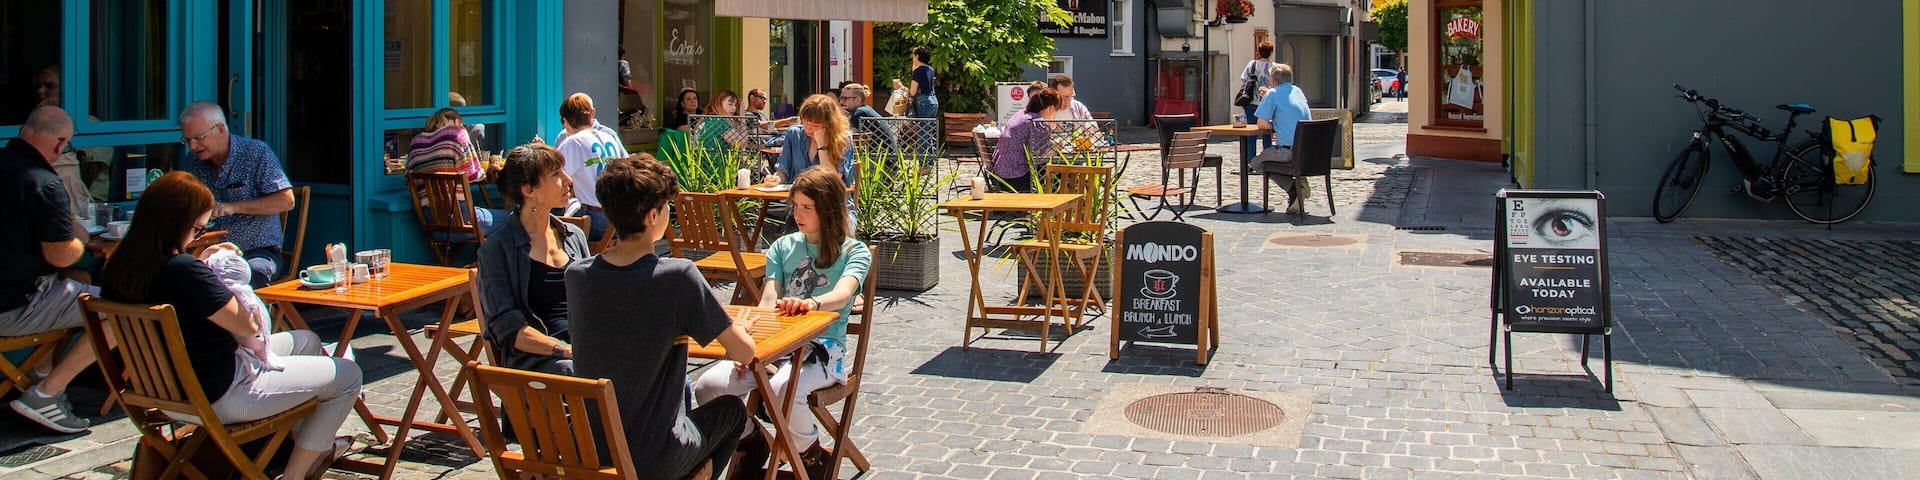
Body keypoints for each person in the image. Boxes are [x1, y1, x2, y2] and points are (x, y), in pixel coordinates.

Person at [100, 171, 360, 480]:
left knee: (306, 340)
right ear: (177, 223)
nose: (196, 237)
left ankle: (297, 446)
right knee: (346, 376)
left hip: (164, 394)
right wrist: (222, 274)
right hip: (218, 394)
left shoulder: (118, 267)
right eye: (197, 229)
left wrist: (201, 260)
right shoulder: (184, 271)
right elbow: (247, 326)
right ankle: (298, 471)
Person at [567, 155, 756, 480]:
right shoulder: (678, 277)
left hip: (590, 447)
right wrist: (738, 326)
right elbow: (744, 352)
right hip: (654, 456)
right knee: (732, 413)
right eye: (668, 206)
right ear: (653, 215)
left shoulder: (577, 276)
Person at [693, 165, 869, 478]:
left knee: (780, 388)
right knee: (708, 386)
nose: (798, 214)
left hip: (825, 349)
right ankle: (753, 440)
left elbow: (843, 294)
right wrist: (753, 346)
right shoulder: (782, 247)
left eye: (807, 207)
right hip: (775, 345)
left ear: (828, 210)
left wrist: (811, 302)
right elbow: (767, 300)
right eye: (795, 206)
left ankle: (812, 457)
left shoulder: (853, 251)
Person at [1, 106, 103, 434]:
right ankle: (46, 394)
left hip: (12, 293)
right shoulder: (43, 182)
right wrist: (78, 238)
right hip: (10, 307)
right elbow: (62, 256)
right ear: (60, 144)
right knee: (120, 309)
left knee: (75, 283)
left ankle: (38, 374)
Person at [477, 143, 588, 376]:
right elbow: (506, 327)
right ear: (529, 190)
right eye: (556, 174)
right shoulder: (497, 249)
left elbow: (595, 301)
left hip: (582, 350)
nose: (568, 180)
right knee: (574, 371)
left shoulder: (572, 236)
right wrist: (565, 351)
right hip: (537, 362)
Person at [175, 101, 295, 288]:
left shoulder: (256, 153)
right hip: (208, 250)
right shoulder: (193, 161)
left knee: (252, 272)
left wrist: (233, 207)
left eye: (199, 138)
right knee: (179, 275)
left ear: (221, 130)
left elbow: (286, 201)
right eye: (187, 140)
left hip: (257, 250)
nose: (192, 146)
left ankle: (252, 318)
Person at [405, 108, 504, 234]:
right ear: (457, 121)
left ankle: (485, 252)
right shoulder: (456, 134)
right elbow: (475, 174)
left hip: (433, 224)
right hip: (462, 221)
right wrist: (490, 169)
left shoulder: (416, 143)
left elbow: (407, 178)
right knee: (516, 219)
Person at [555, 93, 630, 241]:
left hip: (595, 220)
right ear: (591, 115)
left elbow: (553, 177)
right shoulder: (608, 137)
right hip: (619, 217)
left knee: (544, 218)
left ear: (565, 121)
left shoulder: (572, 142)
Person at [1253, 63, 1314, 214]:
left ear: (1273, 80)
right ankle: (1297, 185)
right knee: (1267, 161)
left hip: (1288, 152)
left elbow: (1261, 123)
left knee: (1256, 163)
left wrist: (1274, 122)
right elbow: (1288, 109)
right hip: (1307, 152)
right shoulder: (1297, 91)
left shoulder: (1272, 94)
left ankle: (1294, 189)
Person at [770, 95, 856, 188]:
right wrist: (776, 179)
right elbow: (783, 171)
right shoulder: (794, 134)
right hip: (798, 198)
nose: (808, 128)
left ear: (829, 123)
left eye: (815, 125)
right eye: (805, 122)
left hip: (830, 199)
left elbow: (833, 180)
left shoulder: (843, 138)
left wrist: (822, 145)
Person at [989, 88, 1062, 193]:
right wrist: (1057, 146)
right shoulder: (1037, 123)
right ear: (1051, 108)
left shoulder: (1021, 114)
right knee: (1059, 174)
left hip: (1000, 174)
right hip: (1016, 178)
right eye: (1057, 110)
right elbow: (1038, 158)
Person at [1239, 41, 1276, 154]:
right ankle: (1267, 157)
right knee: (1267, 132)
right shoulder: (1274, 67)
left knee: (1251, 132)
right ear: (1271, 52)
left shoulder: (1252, 64)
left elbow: (1243, 79)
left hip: (1252, 102)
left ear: (1259, 52)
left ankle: (1250, 160)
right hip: (1267, 103)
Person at [837, 83, 897, 153]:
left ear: (857, 100)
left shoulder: (861, 113)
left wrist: (837, 115)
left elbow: (845, 138)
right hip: (882, 157)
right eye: (841, 97)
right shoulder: (865, 110)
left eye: (845, 98)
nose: (841, 101)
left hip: (881, 160)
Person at [906, 46, 938, 118]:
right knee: (929, 128)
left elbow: (912, 92)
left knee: (923, 128)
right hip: (933, 101)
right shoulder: (931, 70)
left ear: (917, 56)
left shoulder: (918, 72)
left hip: (924, 102)